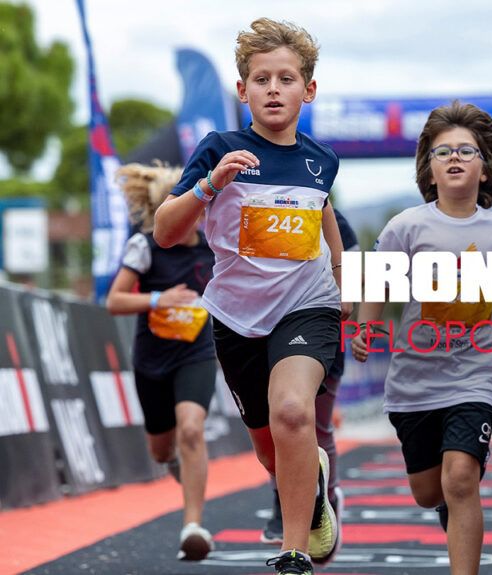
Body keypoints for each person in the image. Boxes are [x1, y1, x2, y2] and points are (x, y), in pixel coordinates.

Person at [153, 18, 350, 575]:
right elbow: (165, 231)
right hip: (238, 318)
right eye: (261, 80)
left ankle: (293, 551)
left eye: (286, 79)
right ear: (243, 90)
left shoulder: (321, 160)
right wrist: (211, 184)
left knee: (293, 412)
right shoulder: (219, 148)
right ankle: (312, 487)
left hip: (307, 305)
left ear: (308, 89)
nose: (273, 89)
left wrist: (344, 283)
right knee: (269, 448)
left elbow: (324, 215)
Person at [351, 101, 492, 575]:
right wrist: (366, 326)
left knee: (461, 478)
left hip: (476, 377)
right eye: (443, 152)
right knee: (430, 492)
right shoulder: (405, 227)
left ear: (485, 168)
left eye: (466, 150)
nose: (455, 158)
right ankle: (448, 502)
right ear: (430, 168)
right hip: (414, 382)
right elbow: (378, 283)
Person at [107, 163, 217, 561]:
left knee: (192, 428)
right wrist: (159, 299)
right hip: (152, 357)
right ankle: (170, 461)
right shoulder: (145, 246)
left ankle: (193, 527)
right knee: (160, 449)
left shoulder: (213, 246)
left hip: (197, 352)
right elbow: (115, 301)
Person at [261, 209, 358, 546]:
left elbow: (356, 273)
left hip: (320, 327)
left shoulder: (333, 218)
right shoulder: (260, 206)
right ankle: (286, 498)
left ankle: (324, 499)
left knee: (315, 424)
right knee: (277, 427)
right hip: (264, 327)